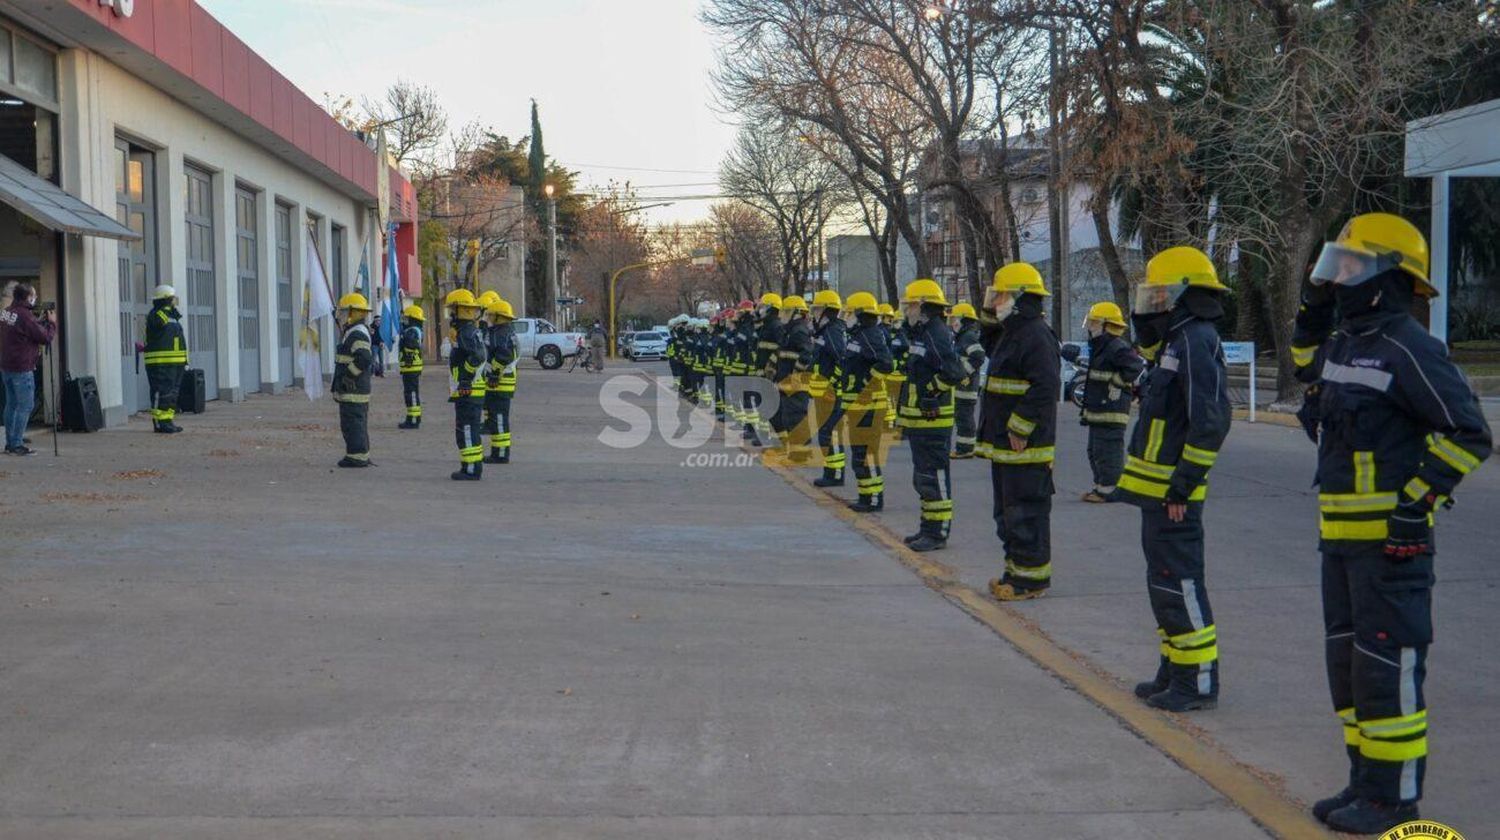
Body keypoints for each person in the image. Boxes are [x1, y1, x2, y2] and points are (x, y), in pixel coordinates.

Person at [1296, 213, 1490, 834]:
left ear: (1385, 277)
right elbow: (1309, 373)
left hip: (1390, 548)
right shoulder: (1348, 342)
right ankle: (1364, 782)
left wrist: (1415, 503)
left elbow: (1470, 434)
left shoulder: (1409, 345)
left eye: (1350, 267)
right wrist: (1310, 323)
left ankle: (1395, 798)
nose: (1339, 278)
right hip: (1341, 545)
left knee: (1387, 668)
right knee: (1350, 670)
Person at [1116, 246, 1232, 714]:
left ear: (1184, 293)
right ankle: (1175, 667)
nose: (1154, 301)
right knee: (1163, 583)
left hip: (1174, 494)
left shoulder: (1196, 340)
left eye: (1161, 292)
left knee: (1180, 583)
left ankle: (1197, 680)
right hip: (1157, 491)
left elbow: (1209, 420)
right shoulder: (1175, 340)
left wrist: (1184, 484)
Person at [975, 263, 1061, 600]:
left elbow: (1045, 387)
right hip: (1006, 445)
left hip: (1026, 445)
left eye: (1001, 295)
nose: (996, 301)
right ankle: (1015, 571)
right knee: (1008, 513)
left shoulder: (1035, 334)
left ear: (1020, 297)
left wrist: (1021, 426)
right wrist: (989, 312)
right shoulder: (1013, 331)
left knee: (1026, 512)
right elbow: (987, 341)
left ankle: (1031, 580)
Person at [895, 279, 966, 552]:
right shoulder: (922, 333)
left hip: (933, 420)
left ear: (923, 306)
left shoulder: (936, 333)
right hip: (920, 421)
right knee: (923, 478)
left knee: (934, 476)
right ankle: (927, 528)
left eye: (910, 306)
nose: (906, 311)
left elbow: (954, 372)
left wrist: (931, 392)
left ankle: (937, 533)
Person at [1062, 302, 1144, 502]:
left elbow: (1135, 366)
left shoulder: (1116, 346)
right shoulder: (1102, 347)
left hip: (1111, 410)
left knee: (1108, 450)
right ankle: (1100, 487)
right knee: (1096, 451)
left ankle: (1109, 490)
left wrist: (1117, 383)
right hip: (1100, 409)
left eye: (1094, 322)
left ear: (1107, 325)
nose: (1090, 326)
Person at [839, 292, 894, 511]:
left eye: (850, 313)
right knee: (860, 454)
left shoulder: (869, 335)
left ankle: (873, 499)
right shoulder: (859, 335)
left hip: (869, 406)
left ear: (860, 315)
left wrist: (867, 384)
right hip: (859, 406)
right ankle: (865, 496)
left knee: (866, 455)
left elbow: (886, 364)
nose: (846, 316)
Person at [1, 282, 55, 455]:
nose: (36, 298)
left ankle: (10, 442)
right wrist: (52, 324)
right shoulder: (25, 316)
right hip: (22, 367)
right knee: (25, 405)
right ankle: (16, 444)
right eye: (34, 295)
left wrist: (37, 321)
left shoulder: (6, 313)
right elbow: (45, 337)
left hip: (6, 365)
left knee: (11, 405)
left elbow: (21, 330)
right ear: (28, 297)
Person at [446, 288, 488, 481]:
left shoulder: (466, 332)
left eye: (453, 310)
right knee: (468, 428)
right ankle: (471, 465)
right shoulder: (469, 331)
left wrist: (465, 378)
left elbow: (477, 356)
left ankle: (471, 469)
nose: (451, 314)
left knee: (467, 430)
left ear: (460, 310)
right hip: (470, 390)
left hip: (468, 390)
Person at [809, 290, 848, 487]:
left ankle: (835, 474)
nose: (814, 313)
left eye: (816, 309)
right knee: (826, 433)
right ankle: (831, 472)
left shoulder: (833, 331)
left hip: (830, 393)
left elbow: (842, 359)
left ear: (826, 311)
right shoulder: (825, 331)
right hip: (822, 392)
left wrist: (831, 383)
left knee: (829, 433)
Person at [331, 293, 374, 468]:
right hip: (354, 388)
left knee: (353, 423)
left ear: (352, 313)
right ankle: (358, 454)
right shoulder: (354, 331)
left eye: (344, 311)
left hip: (354, 388)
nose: (341, 315)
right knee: (354, 422)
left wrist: (348, 377)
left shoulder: (357, 334)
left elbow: (364, 358)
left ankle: (357, 457)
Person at [771, 295, 815, 462]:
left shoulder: (799, 331)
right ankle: (795, 451)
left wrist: (796, 376)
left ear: (796, 313)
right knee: (788, 416)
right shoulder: (789, 330)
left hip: (797, 382)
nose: (783, 314)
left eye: (787, 311)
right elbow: (782, 356)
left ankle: (801, 453)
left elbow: (806, 355)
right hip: (787, 381)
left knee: (796, 416)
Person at [142, 284, 188, 434]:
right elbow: (158, 323)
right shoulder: (156, 314)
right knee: (160, 392)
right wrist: (166, 309)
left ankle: (168, 421)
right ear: (165, 300)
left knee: (171, 394)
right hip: (159, 363)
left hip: (175, 363)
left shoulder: (173, 317)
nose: (175, 302)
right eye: (172, 299)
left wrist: (184, 360)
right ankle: (159, 423)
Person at [948, 302, 986, 459]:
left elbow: (978, 357)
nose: (952, 323)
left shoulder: (968, 337)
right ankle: (964, 447)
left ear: (964, 320)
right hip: (963, 386)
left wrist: (964, 374)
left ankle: (965, 449)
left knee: (964, 417)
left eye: (955, 319)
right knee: (962, 416)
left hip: (967, 386)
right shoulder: (963, 337)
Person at [484, 297, 519, 464]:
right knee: (499, 418)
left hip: (499, 383)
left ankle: (501, 454)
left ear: (500, 317)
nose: (489, 319)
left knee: (498, 418)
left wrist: (494, 373)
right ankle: (499, 451)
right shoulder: (507, 331)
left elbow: (504, 355)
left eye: (492, 316)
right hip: (503, 382)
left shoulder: (500, 333)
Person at [747, 293, 784, 446]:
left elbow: (781, 349)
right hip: (762, 372)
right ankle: (763, 436)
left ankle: (774, 438)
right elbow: (756, 331)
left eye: (762, 307)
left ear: (769, 307)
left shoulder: (776, 326)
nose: (760, 309)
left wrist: (771, 366)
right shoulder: (767, 324)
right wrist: (755, 313)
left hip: (770, 373)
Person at [397, 304, 425, 430]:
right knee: (409, 393)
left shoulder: (412, 331)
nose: (405, 321)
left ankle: (414, 419)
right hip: (409, 368)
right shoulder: (413, 330)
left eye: (407, 318)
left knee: (412, 394)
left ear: (413, 319)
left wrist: (404, 339)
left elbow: (411, 344)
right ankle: (411, 417)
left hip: (411, 367)